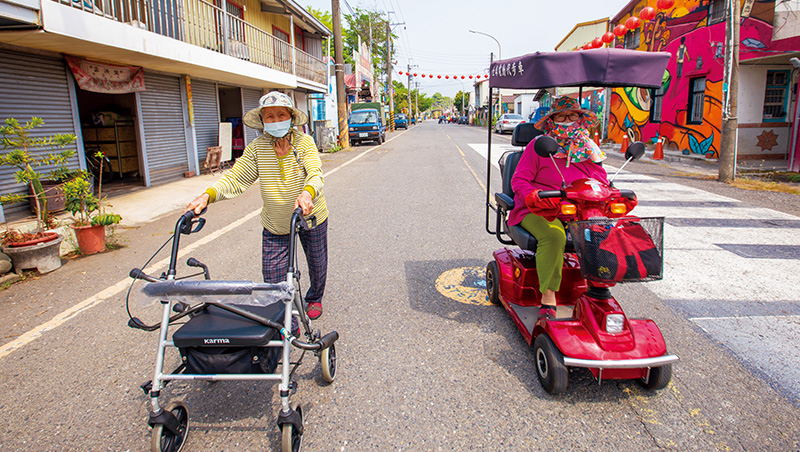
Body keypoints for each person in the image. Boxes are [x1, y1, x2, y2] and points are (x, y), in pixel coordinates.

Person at [185, 91, 328, 320]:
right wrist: (207, 196)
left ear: (291, 118)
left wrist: (307, 193)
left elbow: (315, 173)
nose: (276, 120)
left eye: (281, 115)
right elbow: (236, 178)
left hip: (309, 216)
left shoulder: (304, 143)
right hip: (275, 223)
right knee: (272, 278)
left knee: (317, 262)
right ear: (262, 121)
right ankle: (285, 320)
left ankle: (315, 297)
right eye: (269, 116)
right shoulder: (257, 148)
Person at [508, 96, 617, 320]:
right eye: (561, 117)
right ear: (552, 120)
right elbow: (519, 180)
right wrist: (533, 195)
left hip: (578, 208)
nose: (567, 121)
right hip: (539, 207)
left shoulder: (588, 148)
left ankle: (597, 290)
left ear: (580, 118)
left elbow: (600, 180)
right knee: (554, 236)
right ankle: (548, 297)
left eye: (572, 116)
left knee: (603, 232)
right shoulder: (538, 146)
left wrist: (608, 193)